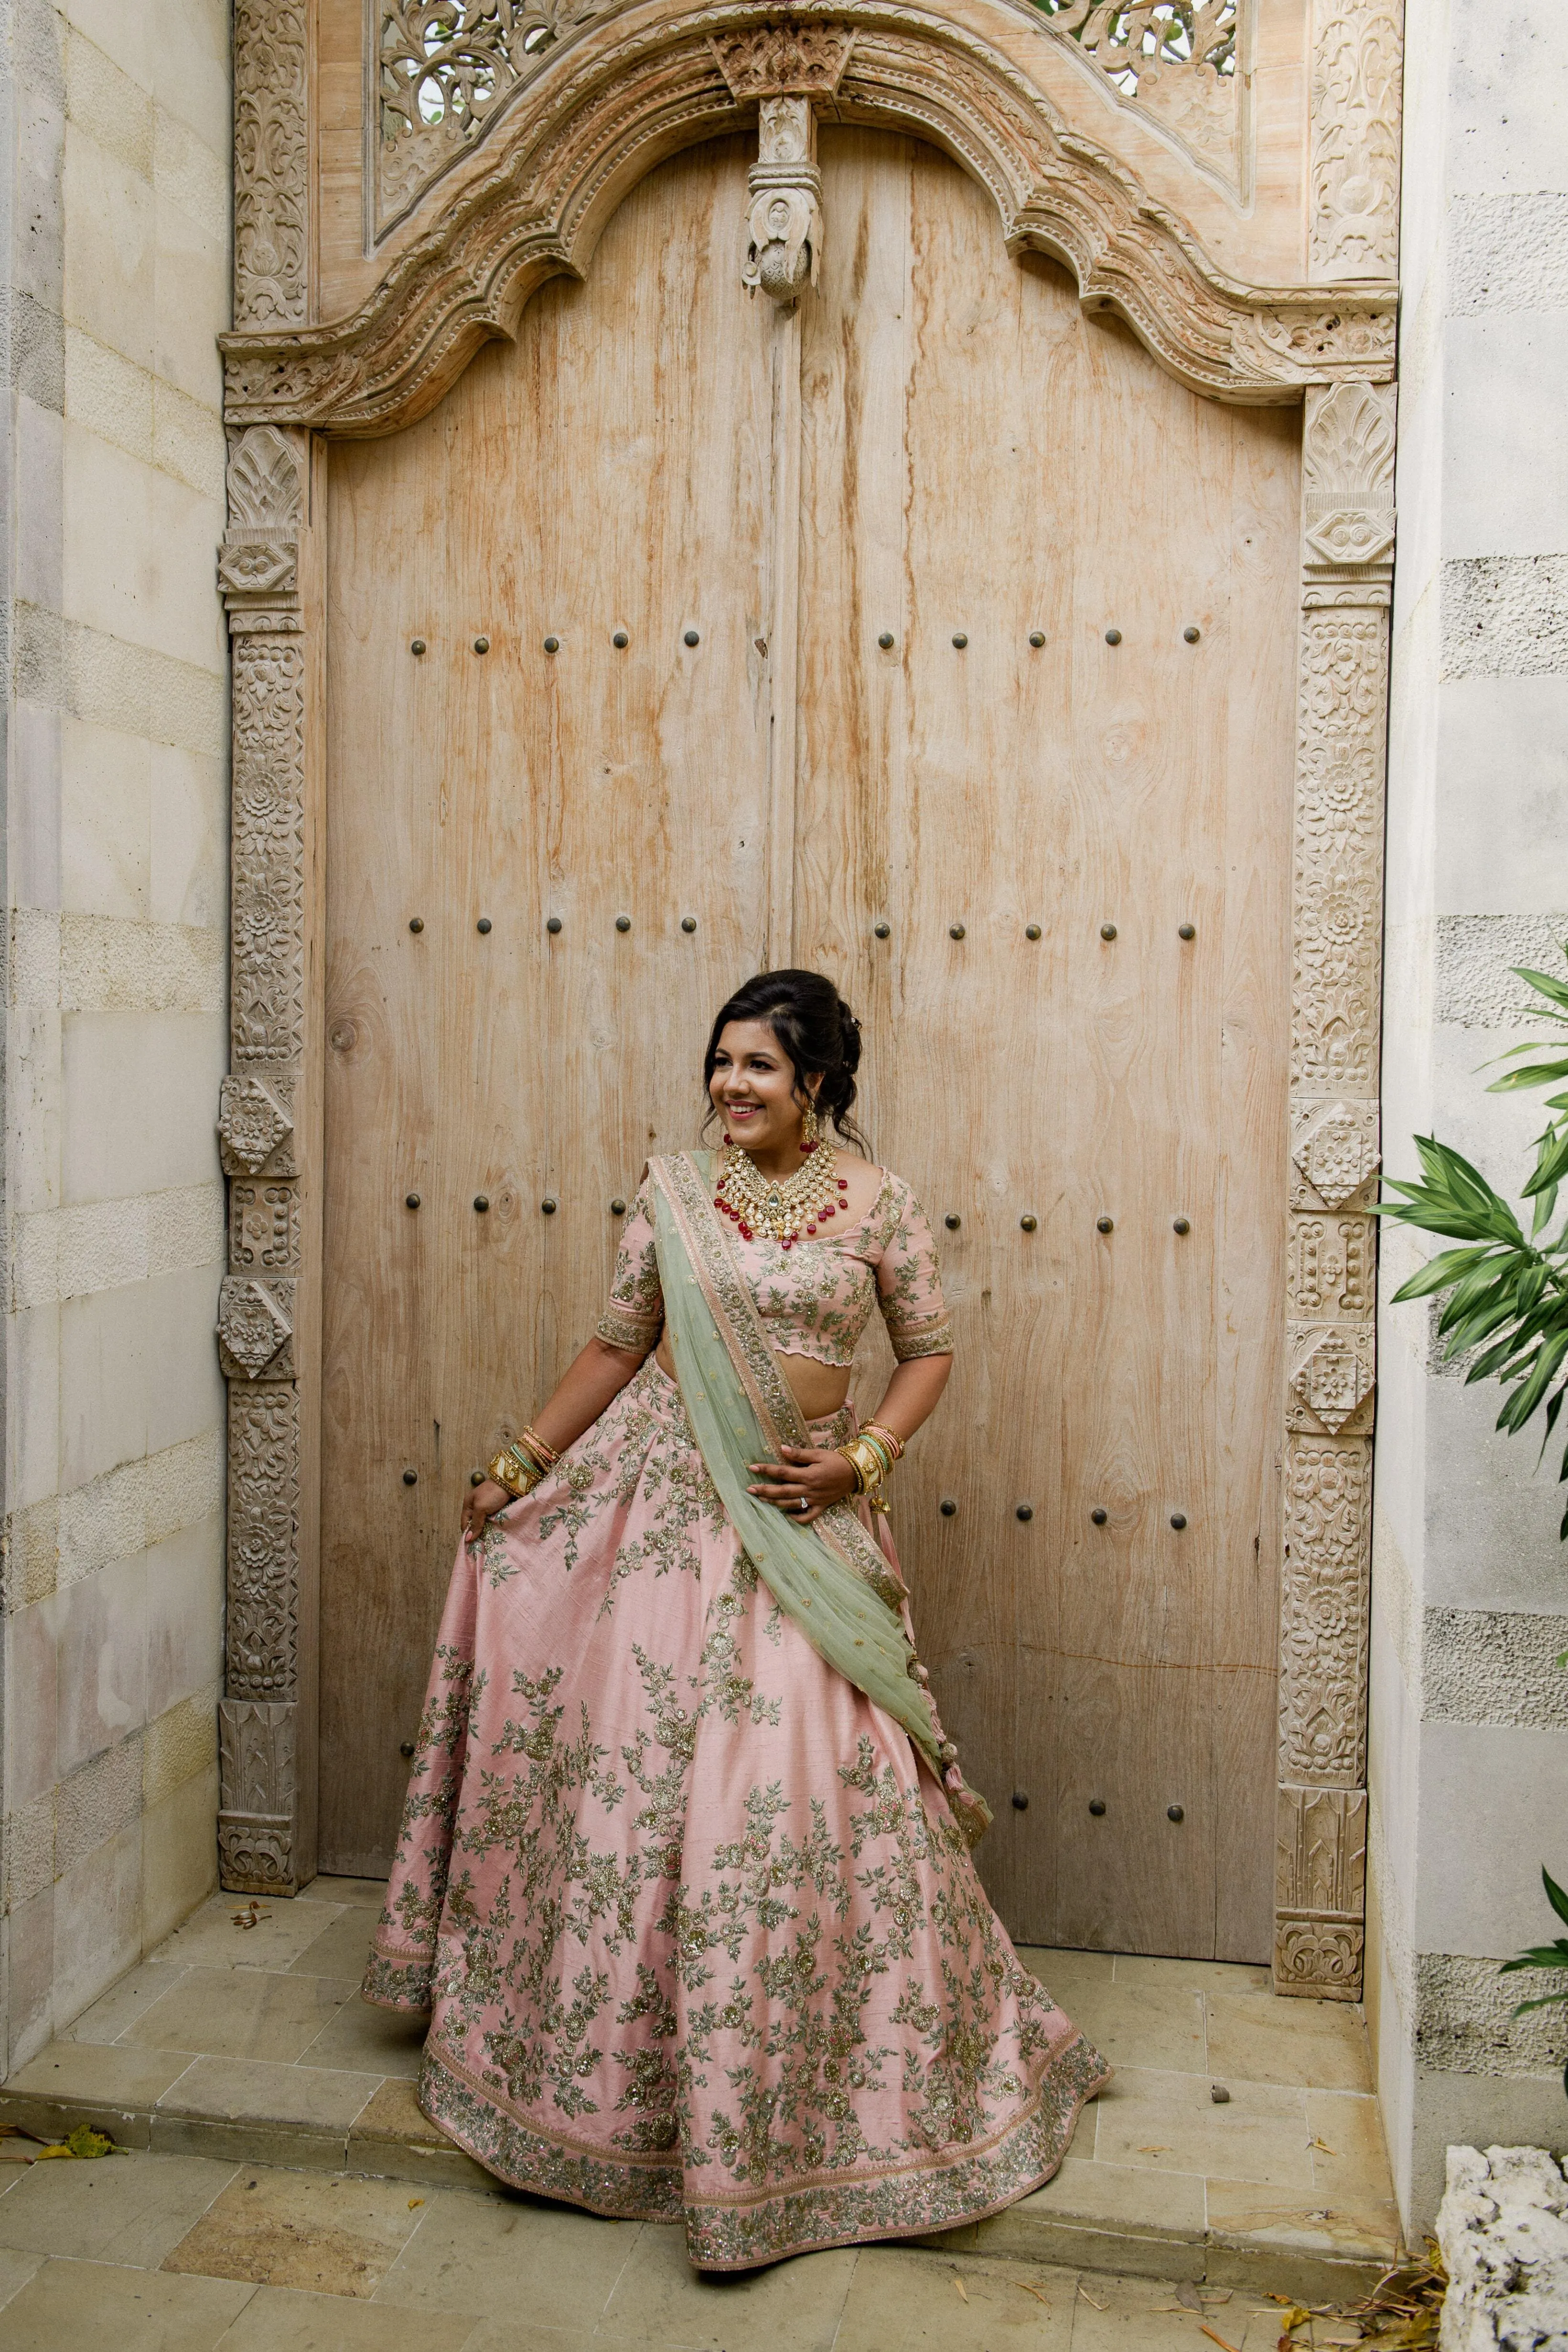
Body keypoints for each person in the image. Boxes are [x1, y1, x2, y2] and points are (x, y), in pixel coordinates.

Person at [363, 968, 1109, 2268]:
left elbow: (929, 1351)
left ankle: (822, 2096)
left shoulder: (880, 1205)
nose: (729, 1086)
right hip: (662, 1516)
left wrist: (861, 1462)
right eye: (720, 1063)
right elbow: (614, 1347)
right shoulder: (671, 1194)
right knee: (644, 1790)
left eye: (757, 1066)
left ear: (816, 1080)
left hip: (800, 1518)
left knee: (805, 1798)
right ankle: (620, 2095)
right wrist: (520, 1469)